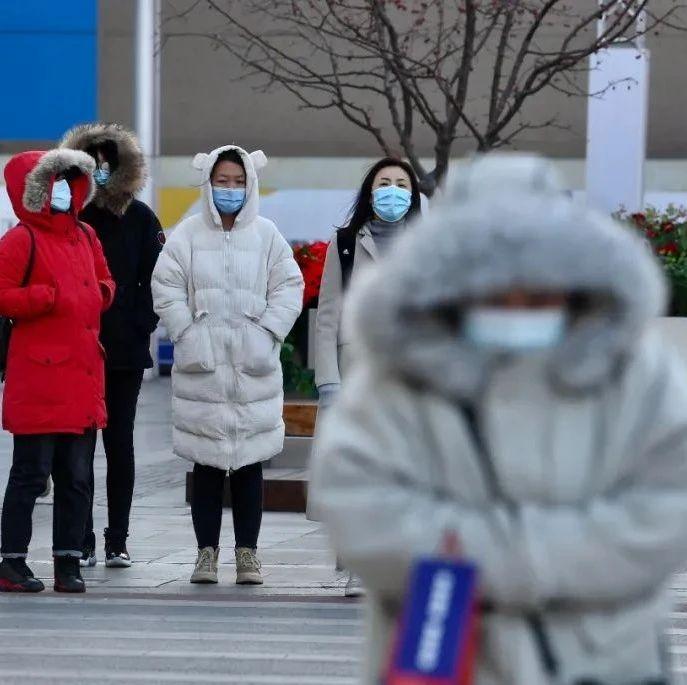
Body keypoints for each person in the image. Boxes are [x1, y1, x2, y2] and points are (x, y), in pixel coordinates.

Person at [309, 154, 687, 684]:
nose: (514, 298)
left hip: (604, 660)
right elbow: (359, 509)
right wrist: (541, 553)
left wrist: (487, 553)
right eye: (489, 280)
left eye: (533, 278)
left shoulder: (632, 374)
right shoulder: (396, 382)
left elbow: (664, 509)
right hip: (448, 657)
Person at [152, 145, 303, 586]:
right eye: (223, 181)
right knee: (206, 465)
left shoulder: (268, 234)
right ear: (209, 183)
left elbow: (288, 287)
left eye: (239, 181)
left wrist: (267, 332)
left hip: (252, 367)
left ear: (250, 183)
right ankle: (205, 554)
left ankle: (248, 555)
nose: (230, 189)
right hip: (204, 367)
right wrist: (187, 332)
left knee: (251, 464)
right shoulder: (188, 234)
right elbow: (166, 286)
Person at [0, 149, 114, 593]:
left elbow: (106, 280)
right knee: (31, 473)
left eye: (70, 179)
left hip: (83, 375)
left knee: (78, 476)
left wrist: (99, 294)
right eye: (55, 180)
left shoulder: (86, 236)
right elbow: (3, 293)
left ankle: (68, 561)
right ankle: (12, 560)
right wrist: (44, 298)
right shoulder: (20, 239)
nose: (64, 188)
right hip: (39, 378)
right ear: (34, 189)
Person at [313, 157, 422, 598]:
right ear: (370, 191)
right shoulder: (346, 243)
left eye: (400, 184)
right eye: (384, 183)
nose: (392, 190)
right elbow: (326, 317)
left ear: (413, 194)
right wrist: (328, 381)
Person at [60, 123, 163, 569]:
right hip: (76, 349)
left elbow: (158, 280)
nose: (102, 171)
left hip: (122, 350)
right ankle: (78, 537)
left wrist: (141, 324)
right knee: (76, 448)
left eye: (109, 163)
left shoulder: (140, 218)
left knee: (119, 443)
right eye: (93, 163)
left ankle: (116, 538)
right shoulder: (71, 218)